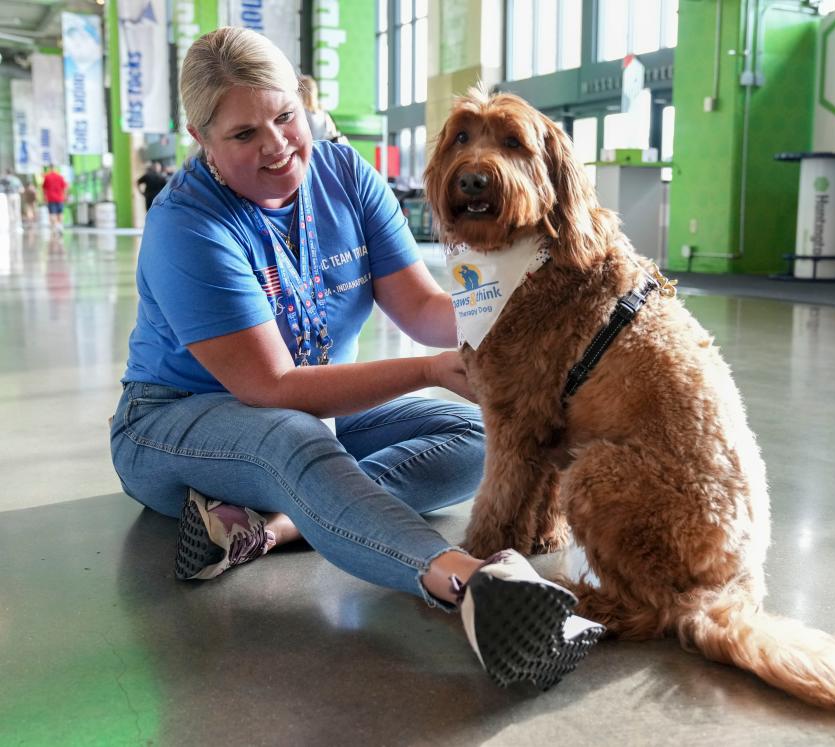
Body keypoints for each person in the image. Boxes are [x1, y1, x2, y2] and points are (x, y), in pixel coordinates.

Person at [109, 26, 602, 689]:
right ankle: (470, 586)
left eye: (286, 116)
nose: (278, 145)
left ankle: (276, 525)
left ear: (302, 101)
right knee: (291, 440)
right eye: (244, 135)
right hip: (173, 423)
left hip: (319, 415)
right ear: (201, 140)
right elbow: (271, 385)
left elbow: (427, 310)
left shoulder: (344, 175)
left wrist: (538, 299)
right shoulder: (187, 224)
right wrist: (429, 370)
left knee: (479, 434)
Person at [297, 73, 347, 144]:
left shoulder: (303, 113)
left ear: (301, 92)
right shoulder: (322, 110)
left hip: (316, 150)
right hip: (327, 148)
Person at [41, 165, 68, 233]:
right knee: (60, 212)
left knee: (52, 213)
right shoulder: (60, 176)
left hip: (50, 198)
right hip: (59, 198)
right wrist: (65, 196)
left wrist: (44, 197)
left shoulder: (47, 177)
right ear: (55, 168)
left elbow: (44, 188)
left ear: (49, 168)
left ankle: (56, 226)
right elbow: (64, 187)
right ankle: (60, 225)